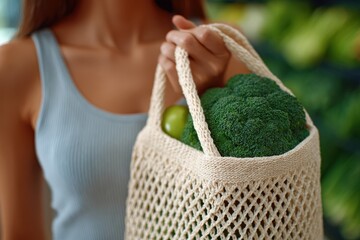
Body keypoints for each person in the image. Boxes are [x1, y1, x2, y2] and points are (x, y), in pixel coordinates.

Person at [0, 0, 248, 239]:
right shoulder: (18, 65)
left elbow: (255, 213)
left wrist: (214, 98)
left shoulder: (222, 49)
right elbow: (20, 234)